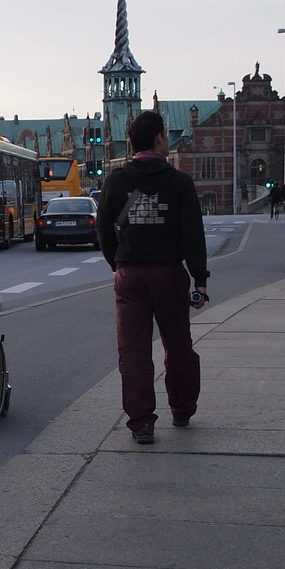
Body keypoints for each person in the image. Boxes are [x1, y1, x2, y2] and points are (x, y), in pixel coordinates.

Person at [95, 111, 209, 445]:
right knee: (178, 345)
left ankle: (142, 422)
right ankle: (182, 409)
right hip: (169, 273)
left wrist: (118, 262)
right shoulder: (179, 182)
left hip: (130, 274)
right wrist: (200, 280)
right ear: (159, 138)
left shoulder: (115, 181)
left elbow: (103, 230)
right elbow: (193, 235)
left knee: (133, 351)